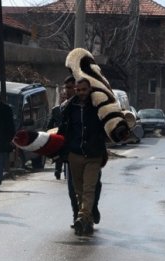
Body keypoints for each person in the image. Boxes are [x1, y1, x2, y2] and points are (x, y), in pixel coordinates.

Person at [58, 78, 107, 236]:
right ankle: (87, 220)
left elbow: (110, 122)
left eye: (84, 90)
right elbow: (63, 129)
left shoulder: (97, 106)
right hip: (75, 154)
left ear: (89, 89)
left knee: (89, 188)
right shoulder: (68, 108)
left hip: (94, 155)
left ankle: (81, 216)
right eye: (78, 90)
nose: (81, 93)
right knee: (78, 191)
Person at [46, 91, 67, 180]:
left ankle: (67, 171)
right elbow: (50, 123)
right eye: (61, 98)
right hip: (58, 135)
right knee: (59, 153)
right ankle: (58, 170)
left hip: (69, 134)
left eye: (64, 98)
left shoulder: (71, 108)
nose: (62, 100)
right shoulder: (55, 110)